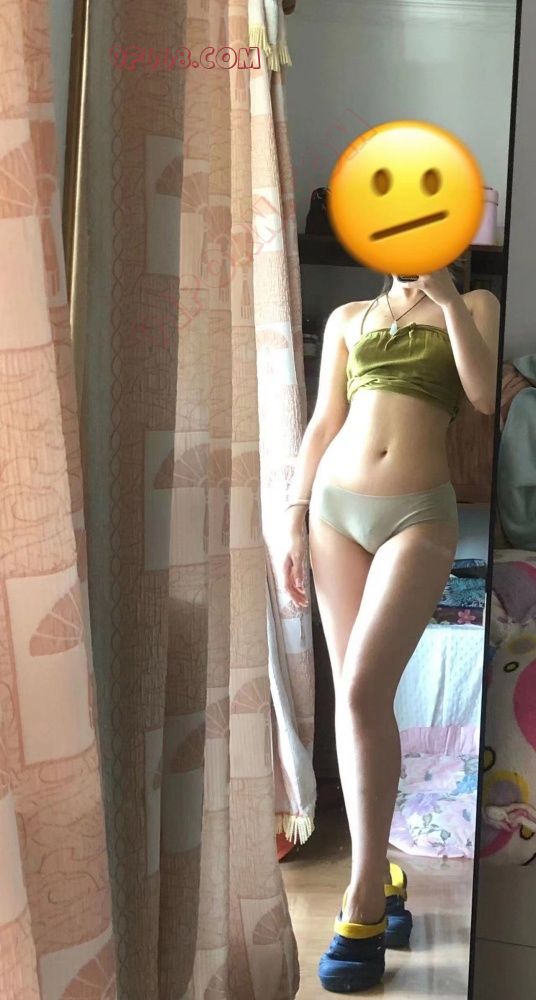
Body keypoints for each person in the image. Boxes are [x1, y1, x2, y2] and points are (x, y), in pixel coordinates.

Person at [281, 268, 499, 993]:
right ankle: (378, 872)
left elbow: (482, 397)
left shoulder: (474, 304)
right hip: (332, 514)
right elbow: (323, 423)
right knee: (356, 702)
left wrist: (445, 298)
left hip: (419, 514)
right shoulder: (349, 315)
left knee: (362, 691)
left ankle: (364, 899)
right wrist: (292, 515)